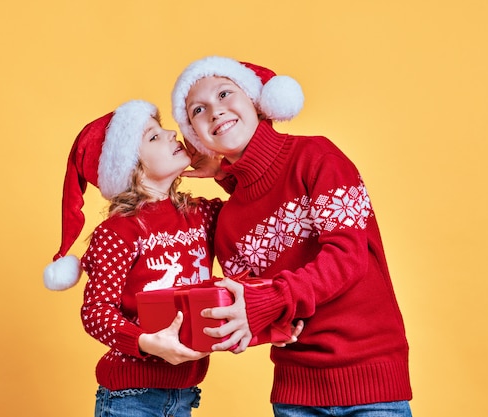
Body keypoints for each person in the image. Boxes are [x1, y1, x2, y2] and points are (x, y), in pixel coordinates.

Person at [171, 56, 413, 416]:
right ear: (195, 137)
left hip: (372, 382)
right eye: (197, 110)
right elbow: (256, 310)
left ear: (256, 101)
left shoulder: (316, 156)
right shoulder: (230, 223)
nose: (215, 112)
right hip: (295, 395)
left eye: (225, 93)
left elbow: (348, 257)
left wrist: (269, 303)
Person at [43, 100, 223, 417]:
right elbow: (96, 312)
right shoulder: (118, 232)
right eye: (153, 137)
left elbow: (251, 212)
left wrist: (221, 169)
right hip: (132, 400)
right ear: (133, 169)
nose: (171, 133)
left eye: (163, 128)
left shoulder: (200, 214)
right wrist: (146, 342)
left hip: (184, 396)